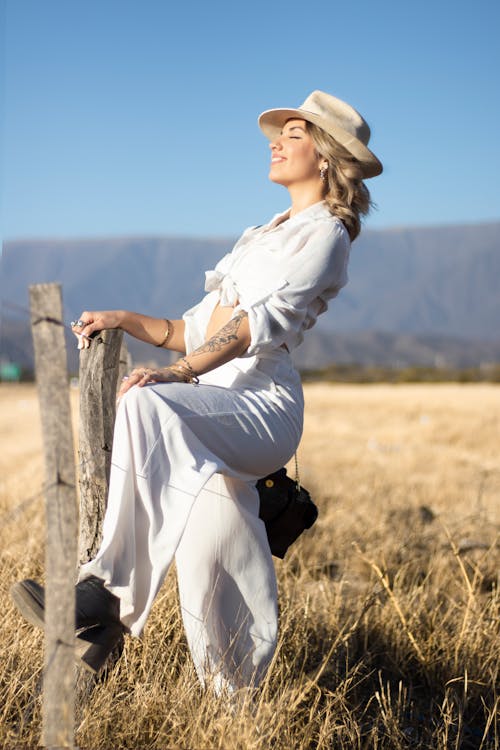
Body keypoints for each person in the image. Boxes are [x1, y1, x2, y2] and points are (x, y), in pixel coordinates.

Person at [11, 90, 382, 693]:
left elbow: (250, 328)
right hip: (207, 404)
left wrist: (178, 375)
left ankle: (105, 595)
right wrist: (126, 319)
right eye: (279, 132)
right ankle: (233, 705)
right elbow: (193, 331)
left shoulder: (325, 234)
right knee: (216, 550)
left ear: (327, 154)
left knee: (145, 399)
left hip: (258, 407)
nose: (276, 140)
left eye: (293, 133)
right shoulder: (263, 235)